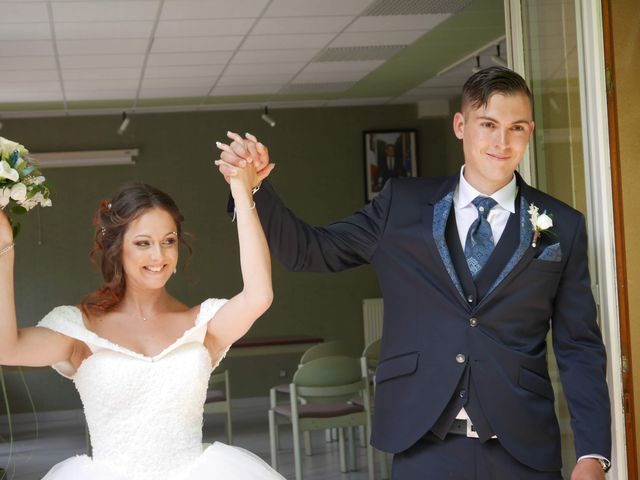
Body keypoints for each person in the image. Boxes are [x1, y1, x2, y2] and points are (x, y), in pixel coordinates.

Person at [214, 67, 611, 479]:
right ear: (460, 125)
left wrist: (593, 454)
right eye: (488, 124)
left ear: (529, 131)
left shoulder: (561, 225)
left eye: (516, 128)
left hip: (522, 447)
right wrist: (253, 190)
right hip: (423, 442)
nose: (501, 141)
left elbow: (578, 347)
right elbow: (309, 251)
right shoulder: (401, 206)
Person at [0, 163, 284, 479]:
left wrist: (242, 195)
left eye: (169, 240)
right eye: (143, 242)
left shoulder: (202, 324)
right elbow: (6, 348)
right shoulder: (79, 328)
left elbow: (259, 296)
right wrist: (3, 246)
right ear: (116, 247)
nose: (159, 256)